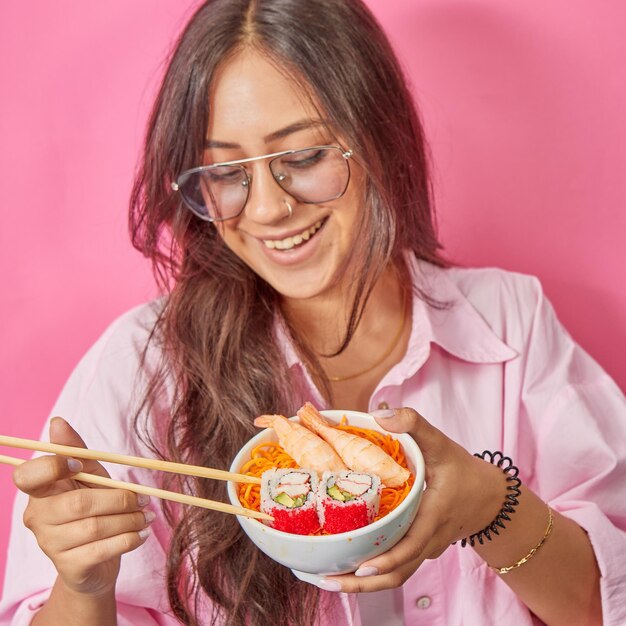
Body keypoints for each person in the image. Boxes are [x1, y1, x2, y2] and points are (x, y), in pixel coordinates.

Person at [1, 1, 625, 624]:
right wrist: (83, 587)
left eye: (302, 158)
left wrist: (496, 508)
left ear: (379, 137)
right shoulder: (142, 364)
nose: (268, 209)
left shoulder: (510, 321)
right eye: (225, 172)